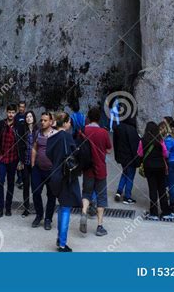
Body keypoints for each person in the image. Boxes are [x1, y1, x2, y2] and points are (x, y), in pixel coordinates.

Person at [46, 112, 82, 252]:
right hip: (66, 176)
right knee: (66, 208)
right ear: (65, 122)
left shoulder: (51, 137)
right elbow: (74, 154)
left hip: (54, 175)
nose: (70, 124)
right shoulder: (67, 137)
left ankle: (60, 238)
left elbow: (49, 154)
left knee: (62, 206)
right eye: (69, 121)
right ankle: (62, 244)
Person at [79, 106, 112, 237]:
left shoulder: (83, 130)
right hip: (100, 169)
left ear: (89, 117)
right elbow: (109, 149)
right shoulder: (103, 133)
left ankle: (83, 212)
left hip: (87, 169)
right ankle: (99, 226)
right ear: (99, 118)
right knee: (101, 197)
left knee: (86, 193)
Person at [0, 103, 22, 219]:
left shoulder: (19, 126)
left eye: (13, 112)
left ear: (15, 113)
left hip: (13, 159)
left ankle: (8, 207)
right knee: (0, 182)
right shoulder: (0, 125)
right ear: (6, 112)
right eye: (9, 112)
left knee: (11, 183)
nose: (11, 114)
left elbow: (21, 144)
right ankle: (0, 208)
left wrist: (20, 161)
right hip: (1, 158)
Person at [137, 121, 174, 220]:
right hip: (160, 167)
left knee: (152, 189)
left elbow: (140, 154)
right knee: (162, 189)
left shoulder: (142, 141)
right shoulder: (160, 140)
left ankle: (153, 213)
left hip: (149, 167)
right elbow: (166, 154)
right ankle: (165, 212)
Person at [30, 112, 56, 229]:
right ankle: (39, 215)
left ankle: (48, 219)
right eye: (41, 120)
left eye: (45, 120)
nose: (42, 122)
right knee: (36, 192)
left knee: (51, 196)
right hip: (38, 169)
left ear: (51, 122)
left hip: (51, 171)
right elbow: (34, 148)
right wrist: (32, 163)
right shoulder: (37, 133)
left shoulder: (56, 135)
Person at [113, 115, 139, 204]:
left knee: (124, 173)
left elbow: (115, 143)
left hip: (122, 157)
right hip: (130, 158)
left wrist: (116, 156)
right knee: (130, 176)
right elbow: (135, 146)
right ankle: (127, 197)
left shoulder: (118, 128)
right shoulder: (132, 130)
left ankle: (119, 191)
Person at [17, 110, 37, 216]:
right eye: (27, 117)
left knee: (35, 186)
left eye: (30, 116)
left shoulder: (37, 131)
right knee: (26, 186)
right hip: (25, 162)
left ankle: (37, 207)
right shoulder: (23, 130)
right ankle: (26, 208)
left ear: (33, 118)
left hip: (35, 163)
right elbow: (19, 146)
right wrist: (20, 160)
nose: (29, 118)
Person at [15, 101, 27, 188]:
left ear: (25, 108)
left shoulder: (27, 117)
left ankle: (23, 178)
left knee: (24, 160)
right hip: (17, 141)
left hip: (25, 142)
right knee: (18, 161)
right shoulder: (16, 117)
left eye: (23, 107)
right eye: (20, 107)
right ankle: (19, 179)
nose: (21, 108)